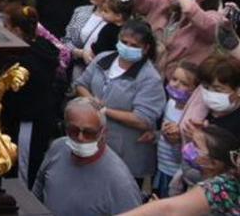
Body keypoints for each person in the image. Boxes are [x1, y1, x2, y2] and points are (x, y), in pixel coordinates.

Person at [73, 19, 165, 182]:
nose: (127, 47)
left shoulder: (150, 78)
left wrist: (105, 111)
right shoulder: (103, 59)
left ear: (145, 49)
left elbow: (143, 119)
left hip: (126, 155)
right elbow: (81, 84)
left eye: (134, 45)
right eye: (124, 42)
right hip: (93, 145)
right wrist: (91, 101)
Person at [31, 97, 144, 215]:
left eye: (89, 133)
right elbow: (38, 188)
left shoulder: (121, 184)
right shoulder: (57, 148)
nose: (80, 138)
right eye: (74, 130)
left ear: (103, 133)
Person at [132, 0, 223, 78]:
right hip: (144, 72)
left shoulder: (213, 17)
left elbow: (191, 11)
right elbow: (136, 0)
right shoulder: (166, 2)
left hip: (175, 83)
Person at [1, 5, 59, 186]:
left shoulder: (24, 62)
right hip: (30, 119)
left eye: (6, 26)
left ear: (17, 31)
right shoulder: (42, 47)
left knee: (22, 168)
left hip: (28, 123)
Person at [63, 0, 126, 78]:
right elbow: (66, 41)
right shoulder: (81, 11)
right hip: (75, 71)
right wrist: (80, 53)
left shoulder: (120, 22)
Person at [155, 60, 200, 198]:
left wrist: (175, 141)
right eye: (174, 79)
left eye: (184, 84)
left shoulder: (192, 117)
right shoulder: (170, 103)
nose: (175, 84)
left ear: (195, 90)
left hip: (175, 174)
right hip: (161, 166)